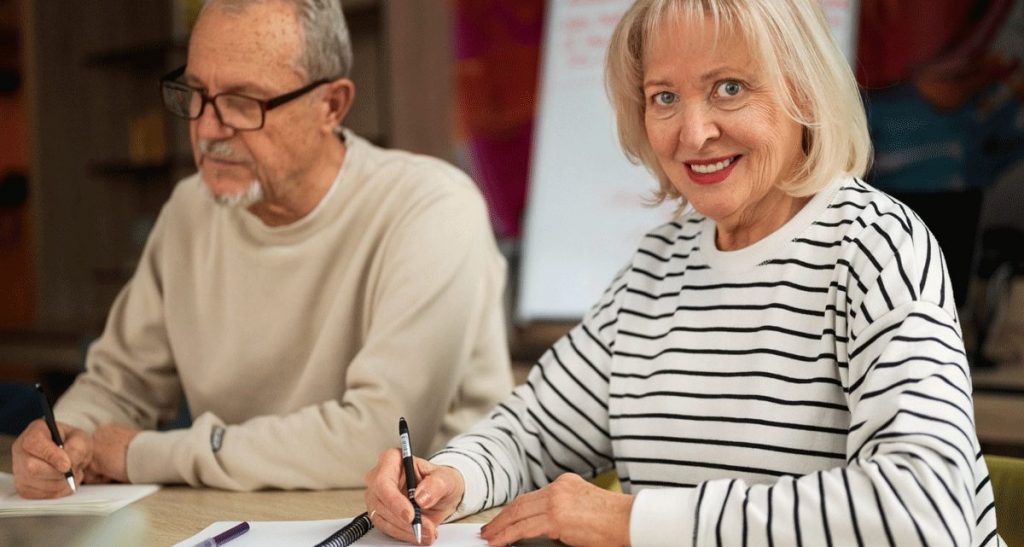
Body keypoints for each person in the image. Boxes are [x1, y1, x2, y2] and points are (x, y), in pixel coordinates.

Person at [364, 1, 1003, 545]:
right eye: (664, 97)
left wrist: (634, 521)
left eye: (729, 87)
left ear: (802, 90)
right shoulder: (660, 263)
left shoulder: (873, 245)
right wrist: (450, 475)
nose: (693, 133)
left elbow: (928, 508)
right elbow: (533, 433)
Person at [12, 0, 512, 498]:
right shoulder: (190, 211)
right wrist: (64, 439)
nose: (208, 129)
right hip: (246, 521)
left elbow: (376, 437)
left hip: (415, 527)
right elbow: (120, 384)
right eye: (197, 94)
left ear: (331, 105)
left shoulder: (432, 209)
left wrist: (144, 454)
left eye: (243, 102)